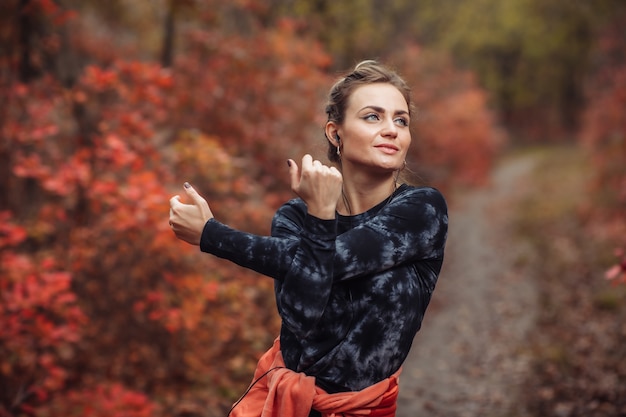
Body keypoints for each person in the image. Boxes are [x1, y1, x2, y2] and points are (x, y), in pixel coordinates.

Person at [169, 60, 448, 417]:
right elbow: (302, 316)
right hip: (287, 406)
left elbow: (339, 258)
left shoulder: (422, 209)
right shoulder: (295, 217)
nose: (392, 130)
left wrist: (212, 234)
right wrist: (319, 214)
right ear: (336, 133)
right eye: (372, 117)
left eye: (401, 120)